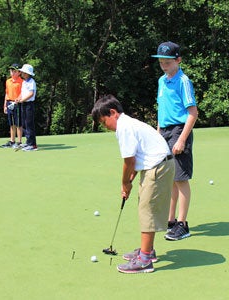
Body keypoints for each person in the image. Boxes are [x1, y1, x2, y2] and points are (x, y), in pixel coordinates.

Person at [91, 95, 175, 274]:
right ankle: (148, 251)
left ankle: (145, 260)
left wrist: (124, 183)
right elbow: (137, 159)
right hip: (159, 165)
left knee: (147, 210)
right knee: (146, 207)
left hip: (158, 167)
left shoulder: (124, 127)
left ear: (113, 113)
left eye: (104, 122)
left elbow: (129, 161)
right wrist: (129, 182)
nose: (106, 128)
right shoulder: (129, 123)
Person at [152, 41, 198, 241]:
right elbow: (162, 112)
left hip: (180, 131)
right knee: (170, 177)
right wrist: (158, 134)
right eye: (161, 62)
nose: (164, 65)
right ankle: (170, 220)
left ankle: (182, 224)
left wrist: (181, 139)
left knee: (181, 178)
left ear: (178, 60)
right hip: (165, 132)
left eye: (168, 62)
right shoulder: (162, 81)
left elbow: (193, 113)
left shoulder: (183, 81)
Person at [2, 63, 23, 148]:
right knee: (11, 123)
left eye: (14, 71)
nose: (12, 73)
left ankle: (19, 141)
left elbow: (22, 93)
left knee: (18, 123)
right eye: (11, 71)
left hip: (17, 104)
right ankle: (12, 140)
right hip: (9, 103)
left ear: (19, 72)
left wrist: (18, 100)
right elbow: (6, 94)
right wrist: (5, 105)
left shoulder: (21, 81)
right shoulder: (8, 81)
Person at [16, 64, 37, 151]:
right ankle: (28, 142)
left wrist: (23, 99)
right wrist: (19, 98)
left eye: (24, 72)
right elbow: (23, 93)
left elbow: (31, 94)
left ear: (28, 73)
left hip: (29, 104)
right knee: (24, 124)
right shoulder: (24, 82)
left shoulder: (32, 82)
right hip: (23, 104)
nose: (22, 73)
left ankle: (32, 145)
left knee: (29, 124)